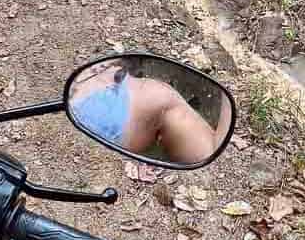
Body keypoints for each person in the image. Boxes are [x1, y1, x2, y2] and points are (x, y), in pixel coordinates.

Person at [69, 61, 230, 165]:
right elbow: (211, 158)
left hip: (83, 89)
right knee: (162, 97)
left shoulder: (91, 69)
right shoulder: (159, 96)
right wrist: (230, 93)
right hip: (107, 111)